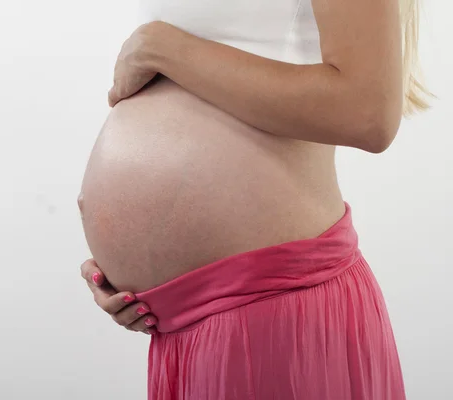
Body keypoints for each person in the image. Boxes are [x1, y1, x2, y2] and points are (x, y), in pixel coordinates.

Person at [78, 0, 431, 398]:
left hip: (277, 306)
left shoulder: (160, 45)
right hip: (181, 329)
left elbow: (368, 112)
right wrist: (131, 260)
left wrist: (162, 48)